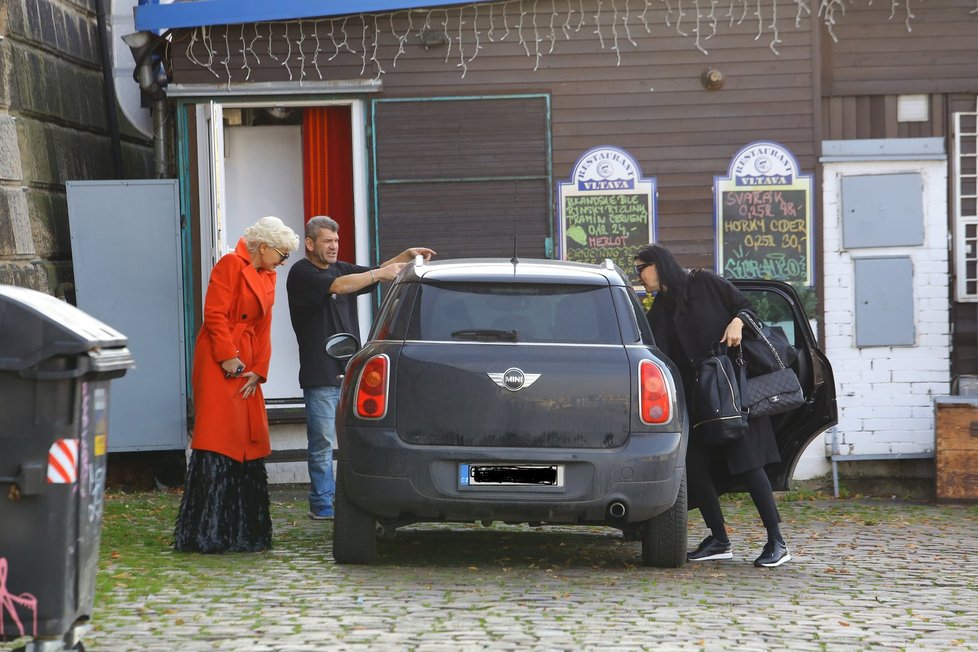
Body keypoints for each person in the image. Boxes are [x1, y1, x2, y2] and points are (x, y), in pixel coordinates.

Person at [634, 243, 791, 568]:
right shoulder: (661, 307)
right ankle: (719, 538)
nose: (640, 276)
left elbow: (747, 307)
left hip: (730, 386)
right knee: (693, 465)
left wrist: (737, 322)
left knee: (748, 463)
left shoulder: (704, 282)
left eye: (641, 268)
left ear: (657, 264)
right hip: (698, 399)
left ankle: (777, 541)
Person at [287, 216, 435, 520]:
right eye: (327, 241)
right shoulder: (301, 273)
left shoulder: (341, 268)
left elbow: (371, 275)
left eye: (337, 241)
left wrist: (403, 257)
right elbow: (341, 286)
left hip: (352, 374)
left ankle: (355, 498)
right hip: (320, 374)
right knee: (322, 443)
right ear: (310, 243)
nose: (334, 246)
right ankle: (322, 503)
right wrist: (381, 271)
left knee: (357, 441)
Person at [174, 216, 300, 553]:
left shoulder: (268, 274)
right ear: (263, 247)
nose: (284, 261)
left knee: (247, 434)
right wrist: (227, 356)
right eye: (282, 254)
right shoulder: (231, 264)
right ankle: (209, 530)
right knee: (218, 434)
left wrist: (260, 370)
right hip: (219, 357)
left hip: (247, 360)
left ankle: (244, 529)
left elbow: (264, 327)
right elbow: (213, 314)